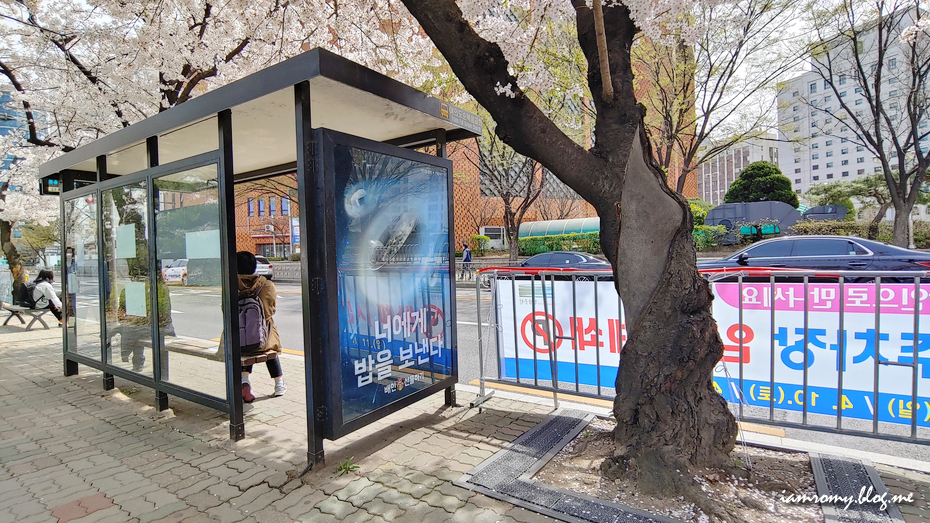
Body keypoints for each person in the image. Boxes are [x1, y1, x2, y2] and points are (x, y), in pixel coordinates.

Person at [237, 251, 285, 403]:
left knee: (245, 338)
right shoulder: (266, 284)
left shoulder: (230, 284)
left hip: (237, 342)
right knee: (267, 339)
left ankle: (245, 381)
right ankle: (279, 385)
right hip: (262, 342)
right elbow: (271, 310)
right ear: (254, 266)